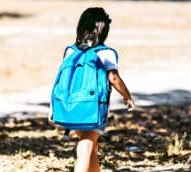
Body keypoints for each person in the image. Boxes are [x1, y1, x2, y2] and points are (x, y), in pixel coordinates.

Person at [49, 7, 134, 172]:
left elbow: (60, 81)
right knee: (85, 148)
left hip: (70, 106)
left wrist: (52, 107)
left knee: (92, 149)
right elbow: (113, 78)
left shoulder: (70, 51)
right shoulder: (106, 53)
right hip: (92, 108)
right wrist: (127, 96)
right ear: (104, 31)